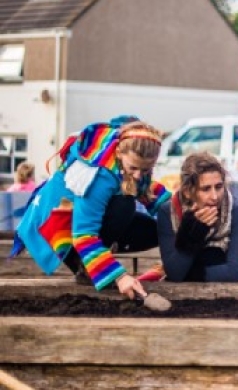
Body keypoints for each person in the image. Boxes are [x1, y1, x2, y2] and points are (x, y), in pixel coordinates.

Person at [12, 117, 170, 298]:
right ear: (119, 153)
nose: (138, 175)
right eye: (133, 168)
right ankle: (86, 265)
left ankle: (100, 257)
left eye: (146, 170)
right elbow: (84, 235)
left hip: (83, 223)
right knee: (124, 205)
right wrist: (119, 277)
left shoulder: (132, 169)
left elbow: (152, 194)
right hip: (57, 227)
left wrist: (184, 216)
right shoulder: (99, 177)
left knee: (157, 230)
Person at [142, 152, 238, 282]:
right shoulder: (168, 212)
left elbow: (235, 272)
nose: (215, 196)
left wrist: (191, 275)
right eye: (206, 189)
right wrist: (193, 234)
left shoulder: (235, 210)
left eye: (219, 187)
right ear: (188, 192)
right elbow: (175, 273)